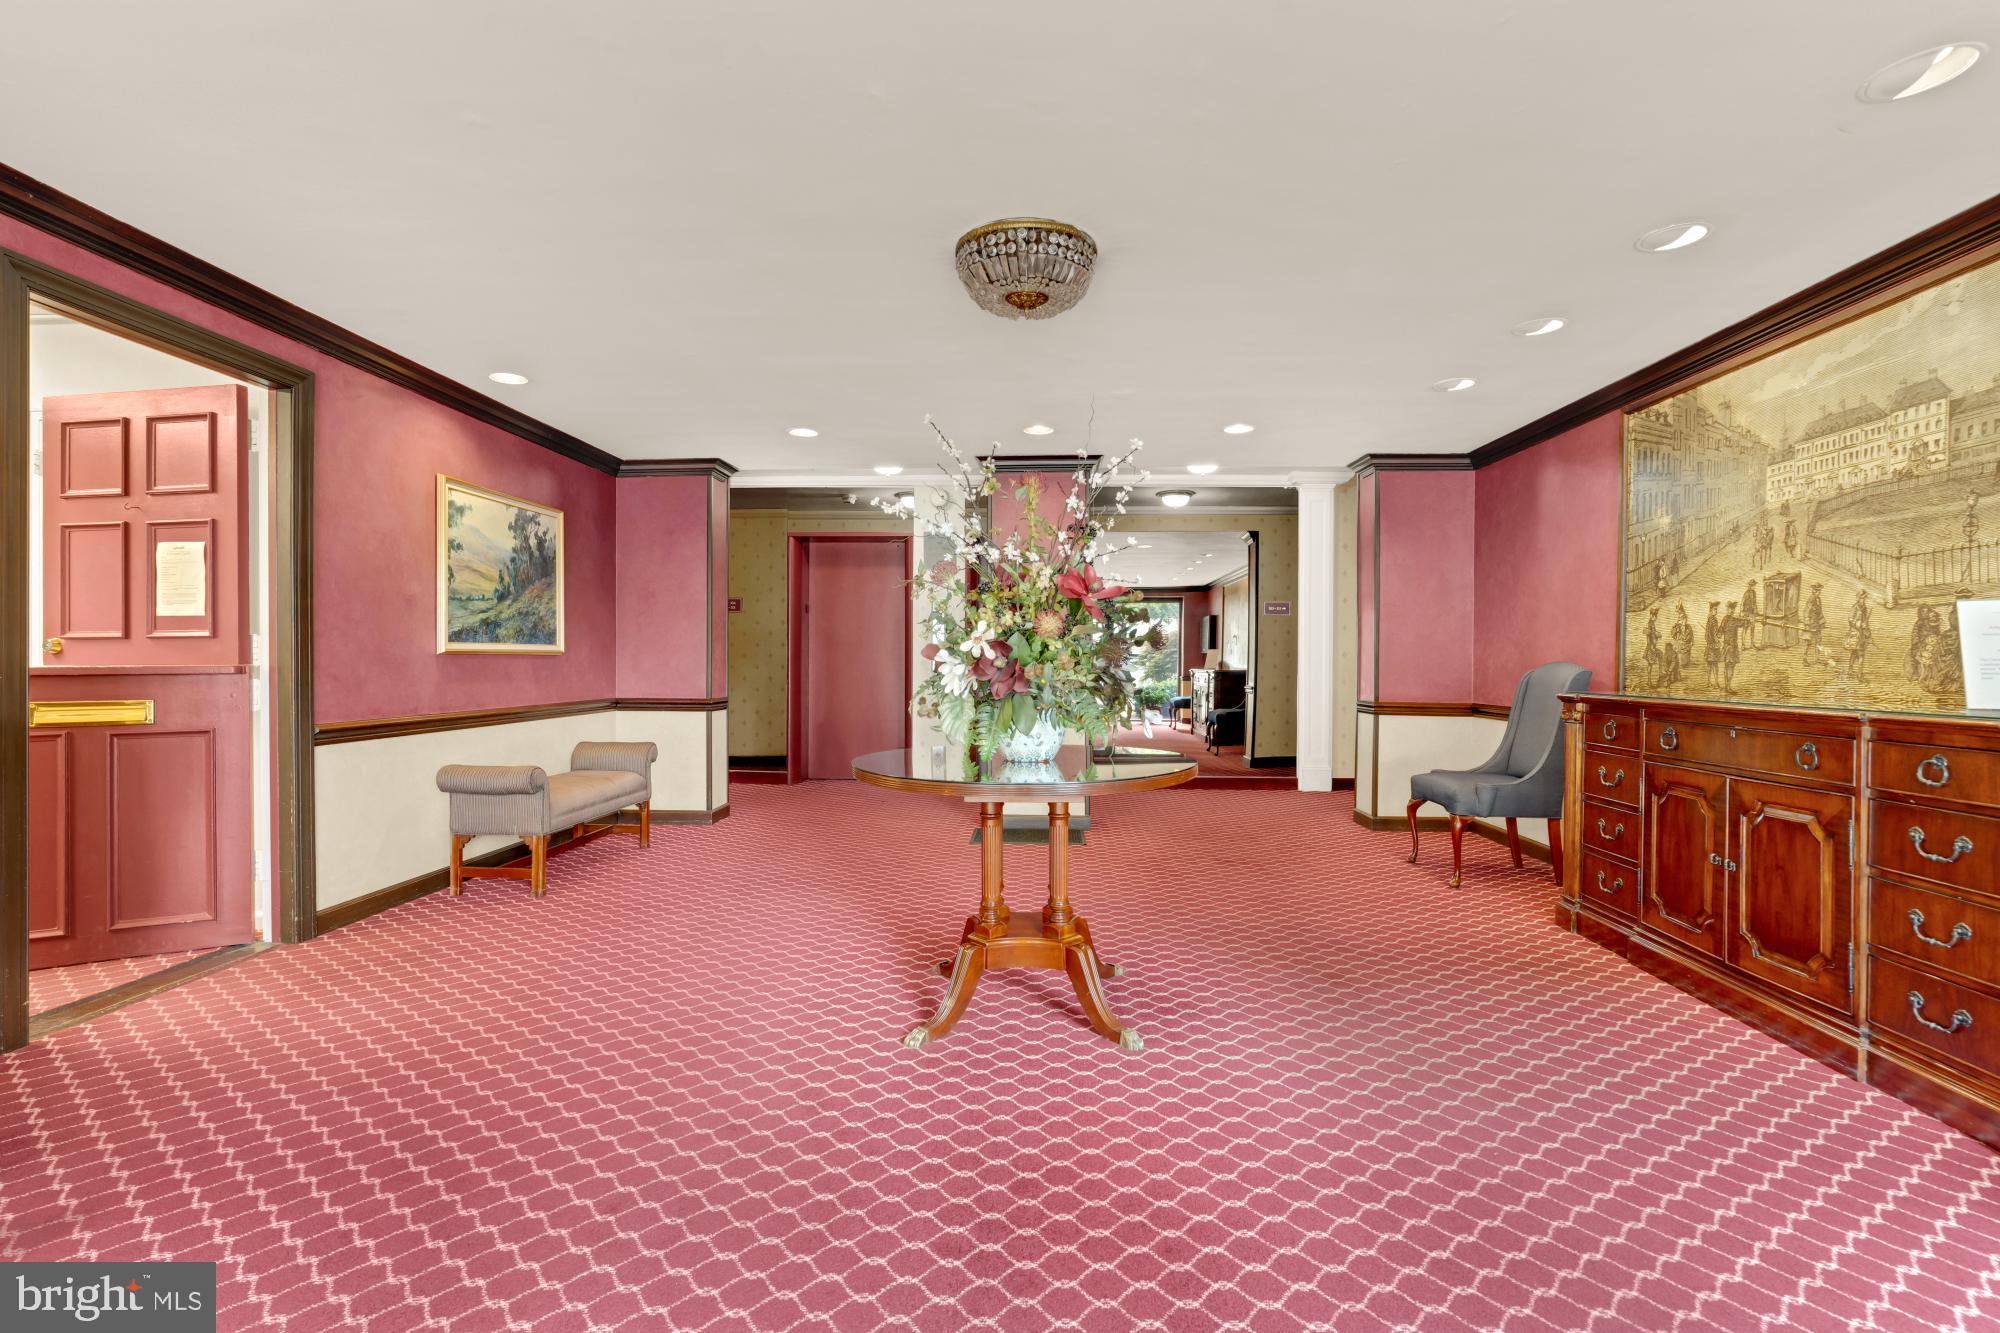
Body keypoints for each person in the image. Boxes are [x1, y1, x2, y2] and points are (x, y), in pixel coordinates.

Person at [1847, 591, 1873, 682]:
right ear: (1858, 598)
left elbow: (1866, 622)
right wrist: (1859, 624)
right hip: (1855, 634)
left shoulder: (1865, 608)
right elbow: (1850, 620)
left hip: (1862, 634)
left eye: (1865, 598)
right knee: (1857, 653)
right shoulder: (1855, 607)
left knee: (1858, 653)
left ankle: (1853, 671)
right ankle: (1859, 674)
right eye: (1862, 598)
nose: (1864, 600)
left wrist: (1868, 631)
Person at [1721, 600, 1744, 691]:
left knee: (1728, 666)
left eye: (1731, 609)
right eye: (1729, 608)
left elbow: (1743, 623)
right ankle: (1728, 686)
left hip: (1730, 647)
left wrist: (1744, 619)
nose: (1730, 610)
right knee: (1729, 666)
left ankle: (1727, 686)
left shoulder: (1730, 619)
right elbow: (1720, 631)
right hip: (1730, 648)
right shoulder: (1729, 620)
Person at [1803, 583, 1825, 667]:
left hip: (1817, 624)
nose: (1819, 592)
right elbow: (1806, 612)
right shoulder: (1811, 600)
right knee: (1808, 642)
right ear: (1814, 591)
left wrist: (1822, 622)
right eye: (1818, 591)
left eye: (1819, 591)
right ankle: (1804, 659)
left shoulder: (1818, 599)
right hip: (1810, 625)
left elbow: (1820, 612)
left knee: (1818, 641)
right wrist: (1807, 623)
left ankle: (1817, 658)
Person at [1704, 602, 1722, 688]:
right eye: (1715, 609)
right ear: (1711, 610)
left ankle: (1708, 682)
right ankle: (1716, 683)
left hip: (1709, 645)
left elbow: (1707, 635)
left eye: (1716, 609)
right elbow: (1714, 634)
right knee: (1714, 664)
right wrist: (1717, 640)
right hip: (1713, 646)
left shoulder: (1709, 619)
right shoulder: (1713, 620)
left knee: (1709, 664)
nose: (1716, 611)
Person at [1742, 580, 1760, 649]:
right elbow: (1742, 602)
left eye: (1755, 585)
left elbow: (1755, 603)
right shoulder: (1746, 593)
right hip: (1746, 613)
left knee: (1752, 628)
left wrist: (1756, 611)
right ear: (1750, 586)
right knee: (1745, 628)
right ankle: (1743, 645)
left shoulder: (1754, 593)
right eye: (1753, 585)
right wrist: (1742, 612)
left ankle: (1752, 643)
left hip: (1752, 613)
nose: (1754, 587)